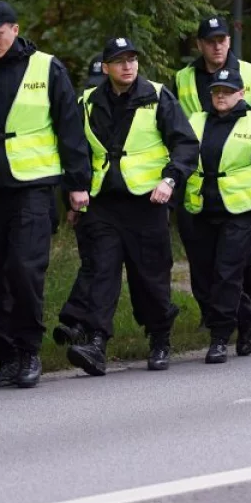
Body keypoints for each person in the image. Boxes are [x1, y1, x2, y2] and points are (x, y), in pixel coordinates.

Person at [0, 0, 90, 390]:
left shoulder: (46, 68)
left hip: (33, 187)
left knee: (23, 269)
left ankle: (29, 351)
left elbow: (69, 127)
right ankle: (5, 358)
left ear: (15, 30)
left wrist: (77, 184)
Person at [59, 36, 198, 376]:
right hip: (104, 203)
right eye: (120, 60)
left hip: (147, 203)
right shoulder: (88, 101)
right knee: (102, 272)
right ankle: (96, 342)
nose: (128, 66)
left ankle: (160, 338)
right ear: (106, 67)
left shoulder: (157, 96)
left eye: (132, 59)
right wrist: (75, 191)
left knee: (149, 279)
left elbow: (185, 144)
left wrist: (169, 180)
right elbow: (75, 149)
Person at [173, 15, 251, 335]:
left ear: (229, 42)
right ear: (200, 45)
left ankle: (243, 308)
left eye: (222, 40)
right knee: (202, 259)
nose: (217, 46)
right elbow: (172, 126)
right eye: (210, 41)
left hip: (239, 185)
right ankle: (220, 314)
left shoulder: (249, 74)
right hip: (195, 185)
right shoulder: (183, 78)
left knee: (236, 260)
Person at [177, 67, 251, 362]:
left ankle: (219, 337)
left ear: (241, 94)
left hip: (240, 211)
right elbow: (182, 160)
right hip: (201, 208)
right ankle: (247, 319)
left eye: (227, 91)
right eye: (217, 91)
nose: (221, 97)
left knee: (227, 273)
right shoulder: (196, 121)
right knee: (204, 278)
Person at [52, 54, 108, 347]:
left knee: (99, 264)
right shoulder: (80, 108)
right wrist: (72, 203)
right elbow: (72, 158)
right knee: (93, 262)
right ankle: (76, 323)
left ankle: (77, 322)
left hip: (113, 199)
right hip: (87, 199)